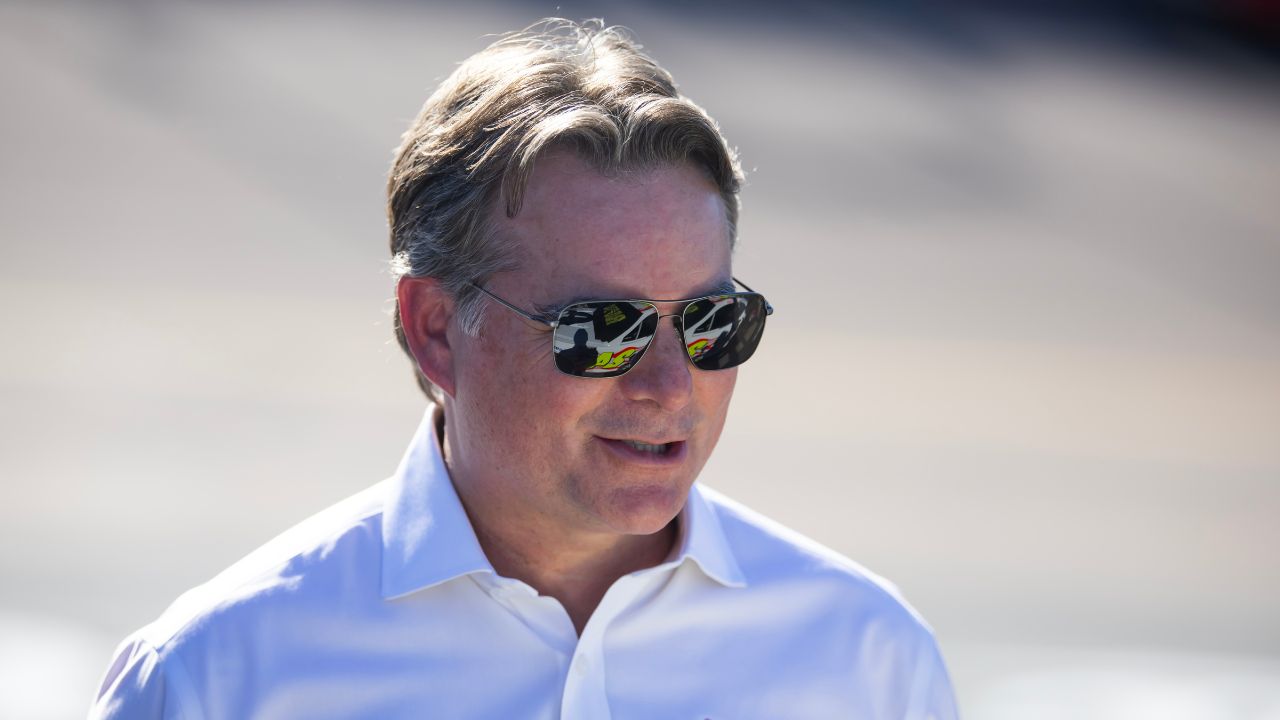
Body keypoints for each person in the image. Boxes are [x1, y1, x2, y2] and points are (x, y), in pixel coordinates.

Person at [91, 20, 958, 719]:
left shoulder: (868, 660)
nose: (668, 385)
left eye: (711, 322)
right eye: (602, 329)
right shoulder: (215, 679)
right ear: (435, 329)